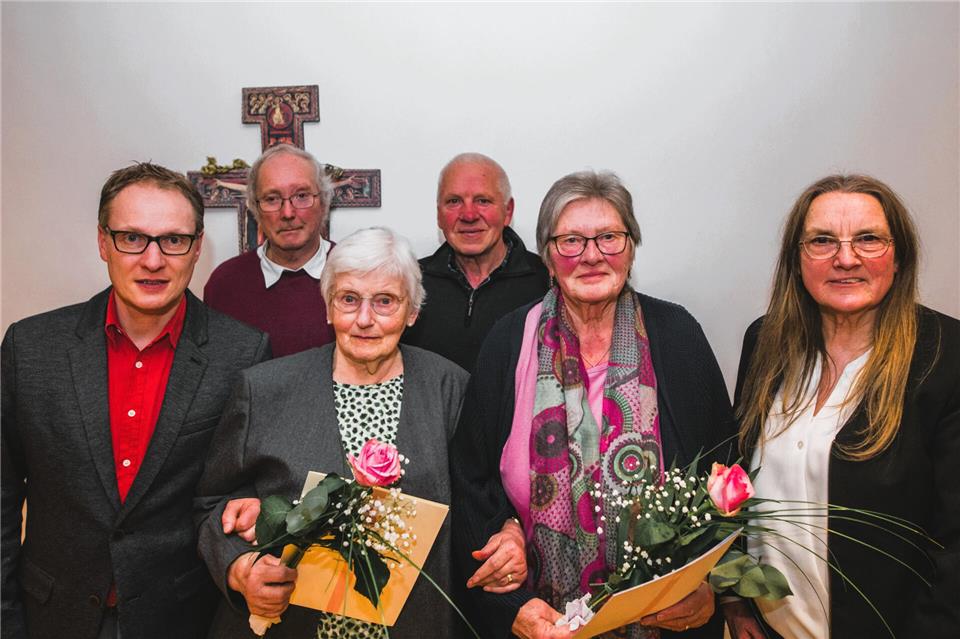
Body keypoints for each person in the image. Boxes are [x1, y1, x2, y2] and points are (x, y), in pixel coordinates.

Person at [195, 227, 523, 638]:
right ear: (329, 307)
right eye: (349, 299)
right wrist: (240, 567)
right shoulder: (264, 390)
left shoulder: (451, 389)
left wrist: (510, 528)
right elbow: (212, 501)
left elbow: (489, 492)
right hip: (291, 625)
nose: (365, 319)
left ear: (412, 312)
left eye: (385, 301)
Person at [450, 171, 735, 639]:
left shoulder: (677, 334)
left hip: (664, 623)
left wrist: (711, 590)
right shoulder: (507, 341)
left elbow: (726, 476)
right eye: (570, 241)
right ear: (547, 254)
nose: (591, 255)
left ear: (631, 246)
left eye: (609, 237)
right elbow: (470, 479)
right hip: (542, 623)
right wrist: (511, 584)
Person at [0, 163, 270, 639]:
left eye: (173, 240)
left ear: (197, 247)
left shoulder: (243, 355)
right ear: (103, 242)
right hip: (50, 615)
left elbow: (242, 493)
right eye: (132, 238)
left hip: (182, 618)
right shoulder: (30, 348)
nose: (152, 260)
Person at [723, 175, 960, 639]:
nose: (846, 258)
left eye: (868, 239)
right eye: (822, 241)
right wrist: (736, 597)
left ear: (899, 256)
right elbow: (733, 478)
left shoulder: (945, 357)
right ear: (797, 260)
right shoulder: (766, 343)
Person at [402, 153, 549, 371]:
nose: (469, 215)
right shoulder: (409, 282)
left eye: (483, 201)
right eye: (454, 201)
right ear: (439, 215)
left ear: (508, 211)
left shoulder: (546, 281)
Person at [204, 144, 335, 357]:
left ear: (323, 202)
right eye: (272, 199)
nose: (288, 213)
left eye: (301, 195)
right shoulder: (225, 284)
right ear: (255, 208)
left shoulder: (357, 273)